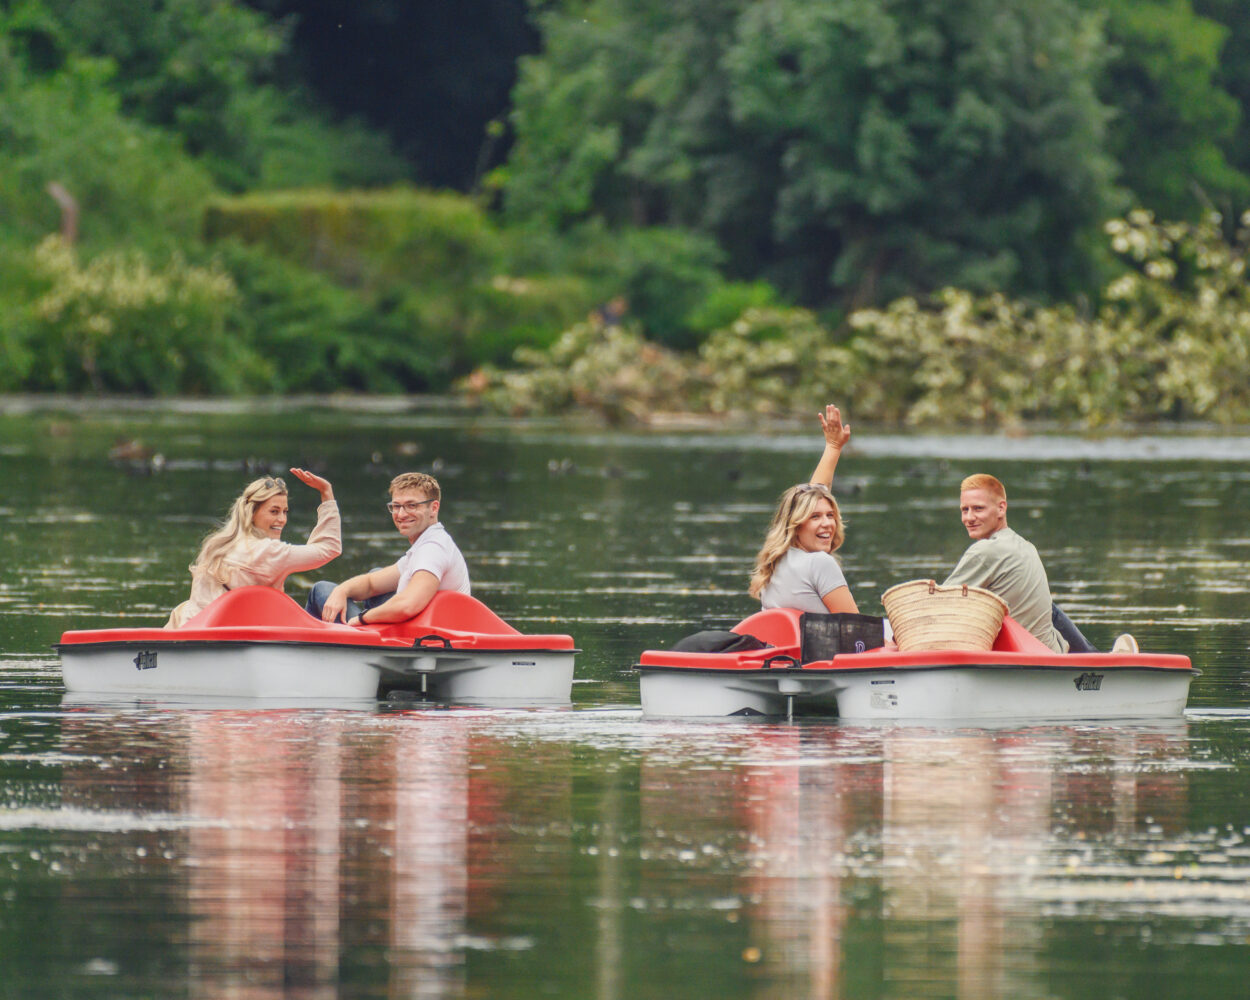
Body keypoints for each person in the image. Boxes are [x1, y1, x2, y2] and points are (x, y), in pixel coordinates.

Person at [943, 474, 1136, 654]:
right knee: (1049, 608)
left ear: (1001, 508)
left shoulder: (985, 551)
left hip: (1025, 657)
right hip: (1053, 649)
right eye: (964, 510)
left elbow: (937, 605)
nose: (969, 518)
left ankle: (1096, 661)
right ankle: (1097, 659)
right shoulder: (1025, 545)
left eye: (978, 509)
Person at [165, 469, 340, 629]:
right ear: (252, 513)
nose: (282, 519)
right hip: (221, 637)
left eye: (285, 512)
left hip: (186, 628)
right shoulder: (269, 551)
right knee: (322, 590)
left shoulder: (218, 544)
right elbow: (329, 547)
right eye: (274, 511)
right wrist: (327, 494)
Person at [305, 471, 470, 626]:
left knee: (321, 590)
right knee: (373, 574)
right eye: (396, 506)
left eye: (411, 506)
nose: (401, 514)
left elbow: (407, 605)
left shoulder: (433, 549)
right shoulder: (428, 543)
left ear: (434, 508)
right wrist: (342, 590)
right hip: (419, 628)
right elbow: (371, 584)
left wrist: (362, 619)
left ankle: (303, 647)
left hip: (421, 638)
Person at [748, 405, 858, 614]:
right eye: (815, 517)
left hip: (789, 643)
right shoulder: (820, 563)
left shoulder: (774, 561)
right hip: (824, 646)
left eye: (830, 515)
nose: (827, 523)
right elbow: (857, 631)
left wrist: (833, 447)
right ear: (795, 525)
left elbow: (812, 496)